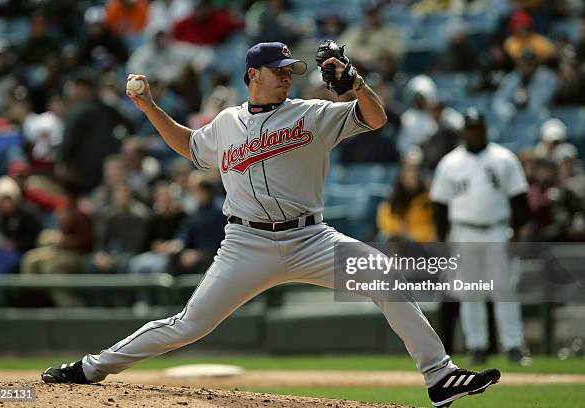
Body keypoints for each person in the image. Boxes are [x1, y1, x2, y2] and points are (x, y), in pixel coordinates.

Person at [42, 41, 500, 408]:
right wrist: (148, 108)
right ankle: (91, 367)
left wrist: (356, 83)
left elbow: (375, 118)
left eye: (290, 71)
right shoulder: (226, 123)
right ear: (251, 76)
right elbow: (190, 147)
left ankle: (439, 375)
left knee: (382, 274)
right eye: (279, 70)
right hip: (246, 243)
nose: (287, 76)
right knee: (190, 324)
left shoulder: (313, 113)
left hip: (311, 237)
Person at [430, 108, 532, 366]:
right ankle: (477, 346)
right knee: (469, 293)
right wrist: (443, 240)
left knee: (503, 290)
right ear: (464, 131)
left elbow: (520, 202)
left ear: (485, 129)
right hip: (463, 231)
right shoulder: (450, 162)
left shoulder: (504, 158)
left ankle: (513, 346)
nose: (473, 133)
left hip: (498, 230)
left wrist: (516, 236)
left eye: (477, 128)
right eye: (470, 129)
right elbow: (439, 207)